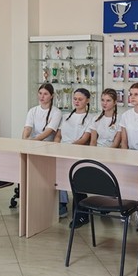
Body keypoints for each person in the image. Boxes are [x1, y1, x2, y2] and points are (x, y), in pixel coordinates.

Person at [0, 83, 62, 189]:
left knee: (25, 158)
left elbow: (48, 131)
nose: (42, 96)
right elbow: (27, 128)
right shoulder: (33, 110)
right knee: (15, 153)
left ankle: (10, 178)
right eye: (40, 93)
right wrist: (24, 142)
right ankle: (8, 177)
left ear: (52, 96)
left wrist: (32, 141)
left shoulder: (56, 112)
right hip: (32, 143)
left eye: (45, 94)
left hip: (47, 145)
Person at [55, 88, 93, 221]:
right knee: (56, 176)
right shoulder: (65, 116)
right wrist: (56, 147)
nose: (77, 101)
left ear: (87, 101)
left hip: (77, 153)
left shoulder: (91, 119)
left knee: (76, 178)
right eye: (75, 99)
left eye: (80, 99)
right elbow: (58, 136)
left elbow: (84, 139)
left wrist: (69, 149)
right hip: (61, 151)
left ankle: (81, 212)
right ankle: (62, 204)